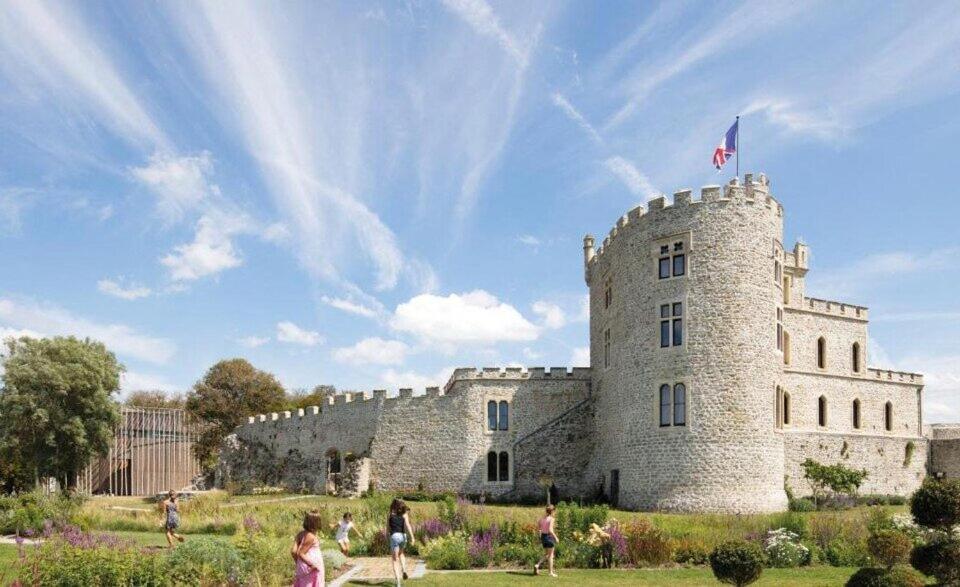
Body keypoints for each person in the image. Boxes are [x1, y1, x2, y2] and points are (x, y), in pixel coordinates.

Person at [292, 511, 325, 587]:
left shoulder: (301, 534)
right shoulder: (310, 536)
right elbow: (301, 553)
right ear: (315, 522)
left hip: (305, 567)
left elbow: (293, 551)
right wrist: (312, 564)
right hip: (311, 568)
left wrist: (298, 563)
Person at [388, 499, 415, 586]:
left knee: (395, 559)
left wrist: (387, 537)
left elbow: (387, 528)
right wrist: (412, 538)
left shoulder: (390, 514)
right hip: (403, 537)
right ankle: (404, 570)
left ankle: (398, 583)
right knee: (401, 553)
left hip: (394, 536)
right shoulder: (404, 515)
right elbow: (408, 526)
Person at [534, 505, 559, 577]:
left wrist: (540, 537)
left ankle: (537, 564)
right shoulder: (551, 519)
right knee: (551, 555)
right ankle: (550, 572)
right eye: (554, 511)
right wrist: (556, 537)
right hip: (549, 537)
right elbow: (550, 530)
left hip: (543, 537)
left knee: (547, 554)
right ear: (552, 511)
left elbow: (539, 529)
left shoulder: (541, 519)